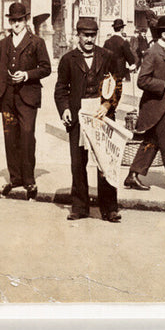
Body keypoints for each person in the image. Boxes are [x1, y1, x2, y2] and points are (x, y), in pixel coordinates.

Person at [54, 17, 122, 222]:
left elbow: (117, 84)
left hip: (102, 116)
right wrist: (65, 109)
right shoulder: (68, 59)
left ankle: (109, 208)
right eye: (86, 36)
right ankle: (80, 206)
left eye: (93, 35)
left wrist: (107, 104)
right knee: (78, 163)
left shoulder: (107, 56)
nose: (90, 40)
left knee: (105, 162)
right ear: (78, 36)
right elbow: (60, 90)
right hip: (78, 117)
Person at [0, 1, 51, 199]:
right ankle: (15, 178)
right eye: (13, 20)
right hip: (7, 97)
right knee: (10, 137)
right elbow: (0, 71)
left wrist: (26, 75)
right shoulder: (3, 44)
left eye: (20, 20)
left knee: (27, 136)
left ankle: (29, 180)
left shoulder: (36, 42)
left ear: (26, 20)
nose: (16, 24)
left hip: (28, 96)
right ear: (9, 21)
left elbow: (46, 68)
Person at [123, 15, 165, 193]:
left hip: (163, 106)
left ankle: (132, 175)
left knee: (151, 141)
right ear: (164, 34)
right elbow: (142, 80)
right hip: (155, 106)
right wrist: (164, 85)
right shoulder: (153, 52)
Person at [103, 18, 137, 114]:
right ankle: (113, 107)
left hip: (108, 68)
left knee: (109, 87)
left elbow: (103, 55)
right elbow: (129, 55)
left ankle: (108, 104)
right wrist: (132, 64)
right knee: (117, 88)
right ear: (122, 29)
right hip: (119, 69)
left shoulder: (107, 41)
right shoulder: (123, 42)